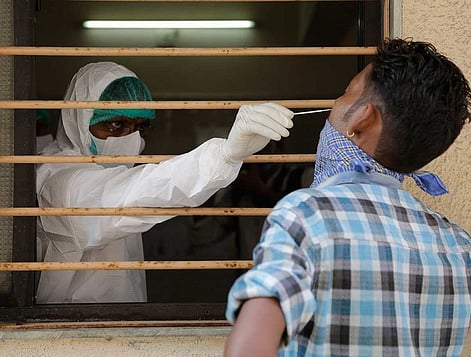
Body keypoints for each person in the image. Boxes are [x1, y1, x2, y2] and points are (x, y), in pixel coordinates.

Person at [223, 38, 471, 357]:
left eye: (345, 92)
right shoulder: (461, 247)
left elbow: (249, 348)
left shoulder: (306, 216)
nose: (334, 104)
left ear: (362, 120)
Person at [36, 61, 294, 304]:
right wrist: (225, 155)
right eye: (115, 124)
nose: (129, 137)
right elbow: (143, 190)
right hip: (74, 334)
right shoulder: (60, 181)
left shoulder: (108, 172)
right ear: (79, 120)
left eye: (140, 126)